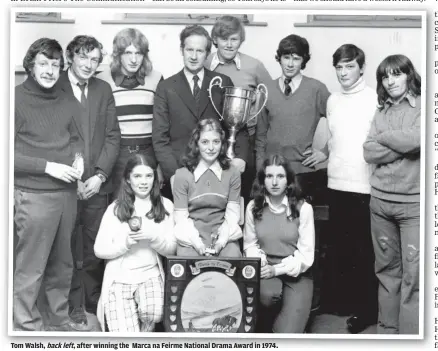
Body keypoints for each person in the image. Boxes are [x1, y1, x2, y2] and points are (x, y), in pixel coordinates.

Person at [14, 38, 84, 331]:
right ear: (30, 65)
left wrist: (79, 158)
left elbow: (77, 138)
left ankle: (58, 320)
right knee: (31, 267)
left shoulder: (68, 100)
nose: (50, 70)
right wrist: (48, 167)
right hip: (33, 195)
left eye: (56, 64)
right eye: (43, 63)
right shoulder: (14, 99)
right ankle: (26, 326)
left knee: (62, 265)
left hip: (67, 195)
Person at [57, 35, 121, 327]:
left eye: (95, 59)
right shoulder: (54, 86)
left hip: (98, 186)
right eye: (83, 57)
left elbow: (112, 136)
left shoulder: (103, 89)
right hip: (63, 186)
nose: (89, 64)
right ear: (70, 57)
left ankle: (94, 308)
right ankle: (71, 310)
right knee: (66, 248)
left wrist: (99, 175)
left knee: (95, 250)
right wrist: (73, 178)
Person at [316, 44, 378, 333]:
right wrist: (323, 155)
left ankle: (366, 311)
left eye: (349, 66)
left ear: (362, 68)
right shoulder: (333, 100)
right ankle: (343, 303)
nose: (343, 72)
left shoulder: (374, 100)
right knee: (342, 250)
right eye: (339, 67)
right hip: (335, 184)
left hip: (364, 187)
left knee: (364, 251)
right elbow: (336, 140)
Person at [152, 25, 247, 200]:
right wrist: (174, 174)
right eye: (189, 50)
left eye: (200, 51)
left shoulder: (222, 82)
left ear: (207, 53)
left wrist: (241, 157)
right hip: (181, 172)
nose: (194, 56)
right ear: (182, 50)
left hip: (217, 171)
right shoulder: (166, 88)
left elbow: (237, 125)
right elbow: (160, 138)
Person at [363, 54, 421, 335]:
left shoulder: (424, 107)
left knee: (415, 275)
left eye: (396, 74)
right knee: (386, 272)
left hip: (415, 206)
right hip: (381, 204)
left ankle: (411, 337)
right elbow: (368, 151)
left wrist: (384, 138)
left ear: (409, 75)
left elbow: (419, 139)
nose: (390, 81)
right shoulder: (381, 111)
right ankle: (387, 332)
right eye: (385, 77)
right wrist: (403, 142)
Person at [94, 154, 176, 332]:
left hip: (150, 274)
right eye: (137, 176)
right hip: (120, 277)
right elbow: (99, 249)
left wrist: (154, 237)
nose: (143, 181)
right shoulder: (115, 208)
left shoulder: (166, 206)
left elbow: (172, 249)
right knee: (126, 337)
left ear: (155, 178)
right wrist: (125, 243)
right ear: (128, 180)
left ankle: (143, 331)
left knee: (155, 313)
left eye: (148, 176)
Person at [255, 34, 330, 205]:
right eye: (286, 57)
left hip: (302, 174)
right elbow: (260, 137)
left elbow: (340, 124)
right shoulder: (267, 89)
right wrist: (261, 173)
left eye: (296, 59)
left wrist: (325, 151)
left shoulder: (316, 89)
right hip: (271, 172)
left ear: (304, 60)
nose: (290, 64)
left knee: (299, 225)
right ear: (279, 58)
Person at [243, 154, 315, 333]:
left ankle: (291, 318)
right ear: (263, 180)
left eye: (280, 176)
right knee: (267, 296)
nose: (274, 182)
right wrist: (263, 266)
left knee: (287, 336)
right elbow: (249, 244)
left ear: (289, 180)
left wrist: (278, 269)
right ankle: (271, 317)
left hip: (297, 271)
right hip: (266, 269)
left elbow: (306, 255)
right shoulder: (253, 207)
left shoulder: (303, 209)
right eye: (269, 176)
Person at [205, 15, 272, 201]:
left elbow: (270, 101)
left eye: (234, 39)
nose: (228, 44)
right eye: (224, 39)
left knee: (242, 199)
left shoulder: (254, 66)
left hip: (245, 142)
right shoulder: (204, 63)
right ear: (215, 40)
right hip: (211, 142)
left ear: (241, 41)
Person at [98, 28, 164, 197]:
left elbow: (163, 126)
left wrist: (160, 164)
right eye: (128, 53)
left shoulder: (156, 79)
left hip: (148, 154)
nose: (134, 59)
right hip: (117, 155)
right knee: (119, 208)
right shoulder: (102, 80)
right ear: (118, 54)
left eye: (139, 53)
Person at [173, 118, 242, 257]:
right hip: (191, 238)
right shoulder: (182, 175)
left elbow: (232, 215)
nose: (211, 148)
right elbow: (182, 219)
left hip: (224, 236)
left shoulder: (233, 173)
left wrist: (220, 243)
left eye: (216, 142)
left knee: (233, 259)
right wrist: (198, 245)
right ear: (196, 144)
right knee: (188, 264)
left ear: (222, 144)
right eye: (205, 142)